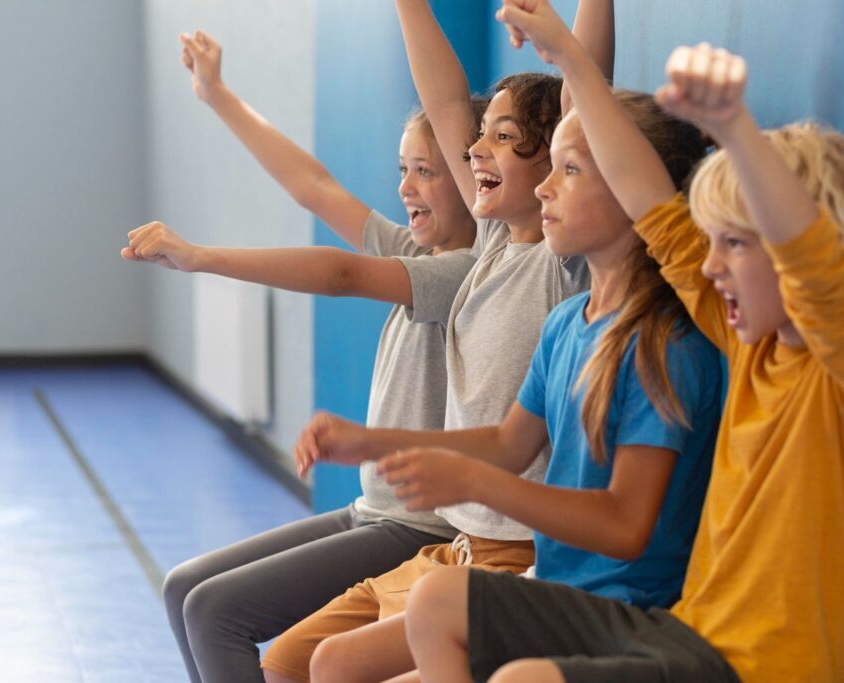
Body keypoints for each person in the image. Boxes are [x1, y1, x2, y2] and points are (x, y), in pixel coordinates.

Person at [399, 3, 844, 682]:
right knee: (437, 602)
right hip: (682, 631)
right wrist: (570, 59)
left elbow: (811, 264)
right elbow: (651, 207)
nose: (709, 264)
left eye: (734, 243)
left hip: (760, 667)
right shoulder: (745, 344)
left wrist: (733, 129)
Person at [305, 86, 720, 683]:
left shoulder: (664, 346)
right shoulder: (564, 325)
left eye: (568, 170)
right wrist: (374, 443)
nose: (548, 185)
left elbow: (627, 527)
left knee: (434, 605)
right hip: (555, 591)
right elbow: (508, 444)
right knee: (336, 663)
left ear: (631, 191)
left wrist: (476, 483)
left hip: (624, 608)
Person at [256, 2, 611, 680]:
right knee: (293, 662)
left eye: (502, 138)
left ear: (557, 162)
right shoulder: (493, 246)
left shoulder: (560, 262)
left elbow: (585, 97)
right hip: (458, 548)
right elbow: (444, 98)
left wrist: (571, 37)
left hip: (514, 552)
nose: (473, 150)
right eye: (478, 136)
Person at [122, 30, 481, 683]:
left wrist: (201, 257)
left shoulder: (465, 271)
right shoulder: (417, 252)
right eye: (402, 169)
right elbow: (312, 185)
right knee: (184, 588)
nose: (407, 187)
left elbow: (342, 275)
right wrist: (217, 95)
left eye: (426, 171)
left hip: (417, 525)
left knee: (215, 611)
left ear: (470, 176)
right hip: (372, 509)